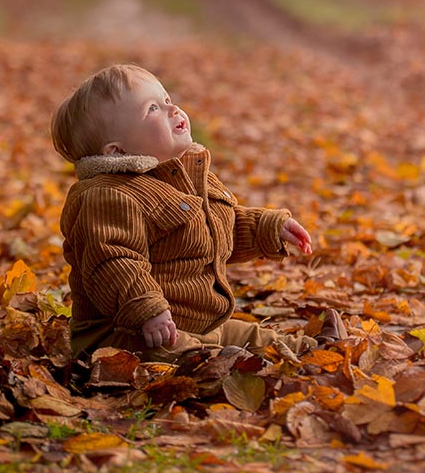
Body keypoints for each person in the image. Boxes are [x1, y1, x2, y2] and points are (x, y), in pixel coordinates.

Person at [51, 63, 347, 363]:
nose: (173, 109)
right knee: (177, 352)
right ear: (117, 151)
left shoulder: (189, 174)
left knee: (247, 336)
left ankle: (311, 351)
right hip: (127, 332)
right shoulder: (107, 195)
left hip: (200, 322)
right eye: (152, 108)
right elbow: (113, 260)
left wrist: (268, 228)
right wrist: (146, 309)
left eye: (167, 100)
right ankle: (227, 365)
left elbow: (219, 227)